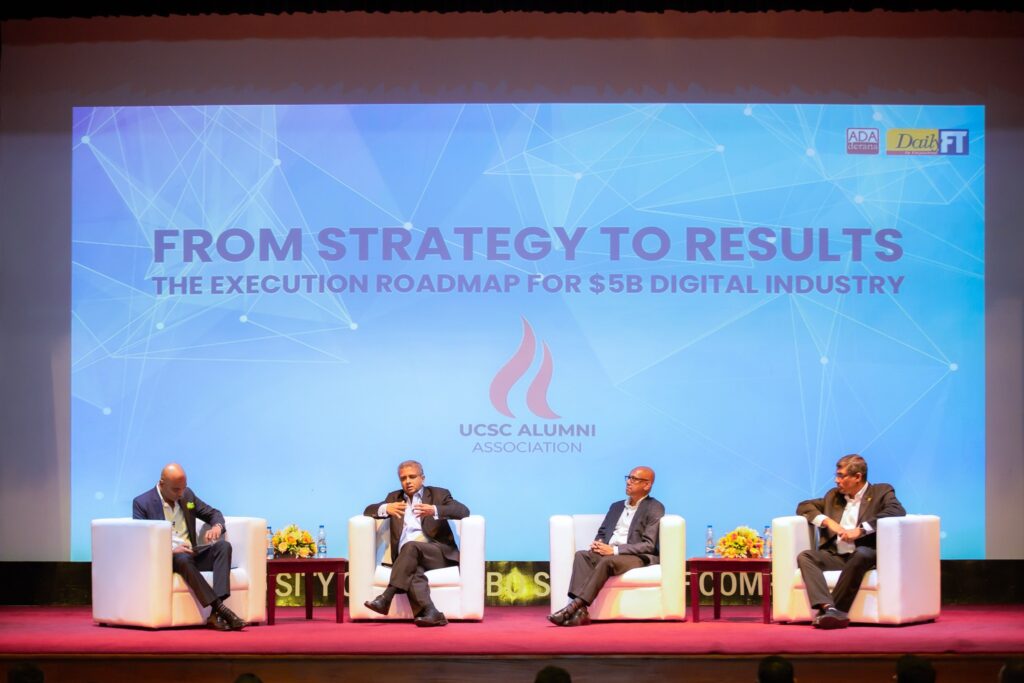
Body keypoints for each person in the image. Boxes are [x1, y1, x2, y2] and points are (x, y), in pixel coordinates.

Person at [796, 453, 906, 629]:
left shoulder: (881, 492)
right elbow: (803, 506)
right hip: (837, 556)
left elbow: (896, 510)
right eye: (836, 475)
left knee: (860, 554)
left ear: (857, 477)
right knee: (805, 556)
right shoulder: (833, 496)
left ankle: (834, 611)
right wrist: (829, 522)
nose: (836, 480)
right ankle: (829, 608)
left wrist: (861, 530)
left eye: (841, 476)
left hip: (865, 554)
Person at [132, 463, 246, 631]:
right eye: (176, 489)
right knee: (182, 558)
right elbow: (141, 541)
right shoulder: (143, 503)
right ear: (162, 484)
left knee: (223, 546)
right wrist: (170, 551)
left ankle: (215, 613)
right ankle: (221, 609)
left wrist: (217, 527)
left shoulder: (187, 495)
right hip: (169, 557)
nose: (181, 493)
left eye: (183, 488)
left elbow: (213, 513)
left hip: (193, 552)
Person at [548, 466, 663, 627]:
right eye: (628, 478)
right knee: (582, 555)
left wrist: (614, 550)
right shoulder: (616, 506)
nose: (629, 482)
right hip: (610, 552)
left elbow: (648, 545)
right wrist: (599, 544)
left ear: (647, 485)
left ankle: (572, 608)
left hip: (635, 556)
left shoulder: (654, 507)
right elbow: (603, 531)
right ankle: (581, 613)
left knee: (607, 561)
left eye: (634, 479)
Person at [362, 460, 469, 627]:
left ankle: (386, 597)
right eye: (403, 478)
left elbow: (463, 511)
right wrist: (385, 508)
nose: (408, 481)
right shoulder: (394, 498)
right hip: (408, 558)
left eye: (412, 477)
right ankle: (432, 613)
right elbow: (368, 510)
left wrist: (435, 510)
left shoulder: (439, 494)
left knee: (410, 546)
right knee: (413, 570)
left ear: (422, 478)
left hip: (438, 554)